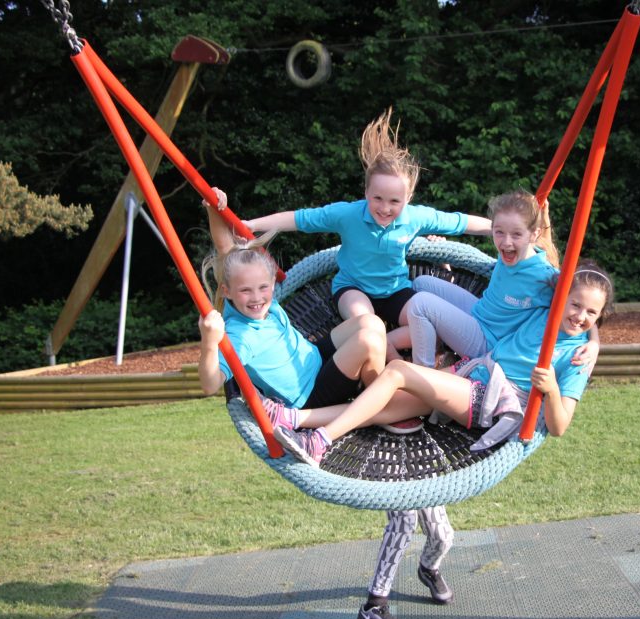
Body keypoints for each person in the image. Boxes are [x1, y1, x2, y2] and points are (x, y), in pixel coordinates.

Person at [268, 261, 614, 619]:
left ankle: (320, 442)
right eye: (575, 305)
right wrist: (595, 337)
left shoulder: (575, 359)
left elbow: (560, 425)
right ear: (561, 299)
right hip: (470, 372)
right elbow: (549, 262)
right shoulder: (545, 312)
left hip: (488, 399)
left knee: (397, 373)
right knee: (389, 403)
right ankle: (295, 420)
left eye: (591, 313)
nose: (580, 316)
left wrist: (552, 386)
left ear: (600, 316)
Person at [209, 108, 492, 360]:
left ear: (408, 199)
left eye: (394, 202)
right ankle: (395, 374)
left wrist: (498, 229)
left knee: (428, 326)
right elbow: (299, 218)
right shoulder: (348, 215)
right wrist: (251, 223)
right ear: (366, 192)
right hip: (352, 289)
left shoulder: (415, 217)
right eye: (377, 198)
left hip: (395, 290)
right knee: (369, 323)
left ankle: (405, 366)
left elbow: (461, 222)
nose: (384, 208)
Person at [196, 199, 387, 414]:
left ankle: (374, 384)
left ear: (270, 283)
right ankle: (378, 405)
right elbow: (209, 385)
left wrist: (213, 207)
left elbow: (225, 250)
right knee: (368, 341)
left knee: (370, 322)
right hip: (309, 395)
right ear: (226, 291)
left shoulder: (261, 302)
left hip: (314, 359)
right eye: (245, 290)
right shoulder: (240, 336)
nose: (257, 297)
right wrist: (210, 342)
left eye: (263, 287)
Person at [388, 189, 599, 369]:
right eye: (499, 233)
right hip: (479, 312)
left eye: (516, 235)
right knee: (422, 283)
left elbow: (580, 302)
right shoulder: (510, 253)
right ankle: (436, 341)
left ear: (533, 235)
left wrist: (595, 342)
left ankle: (421, 374)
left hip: (488, 341)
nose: (506, 242)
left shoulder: (544, 277)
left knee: (420, 304)